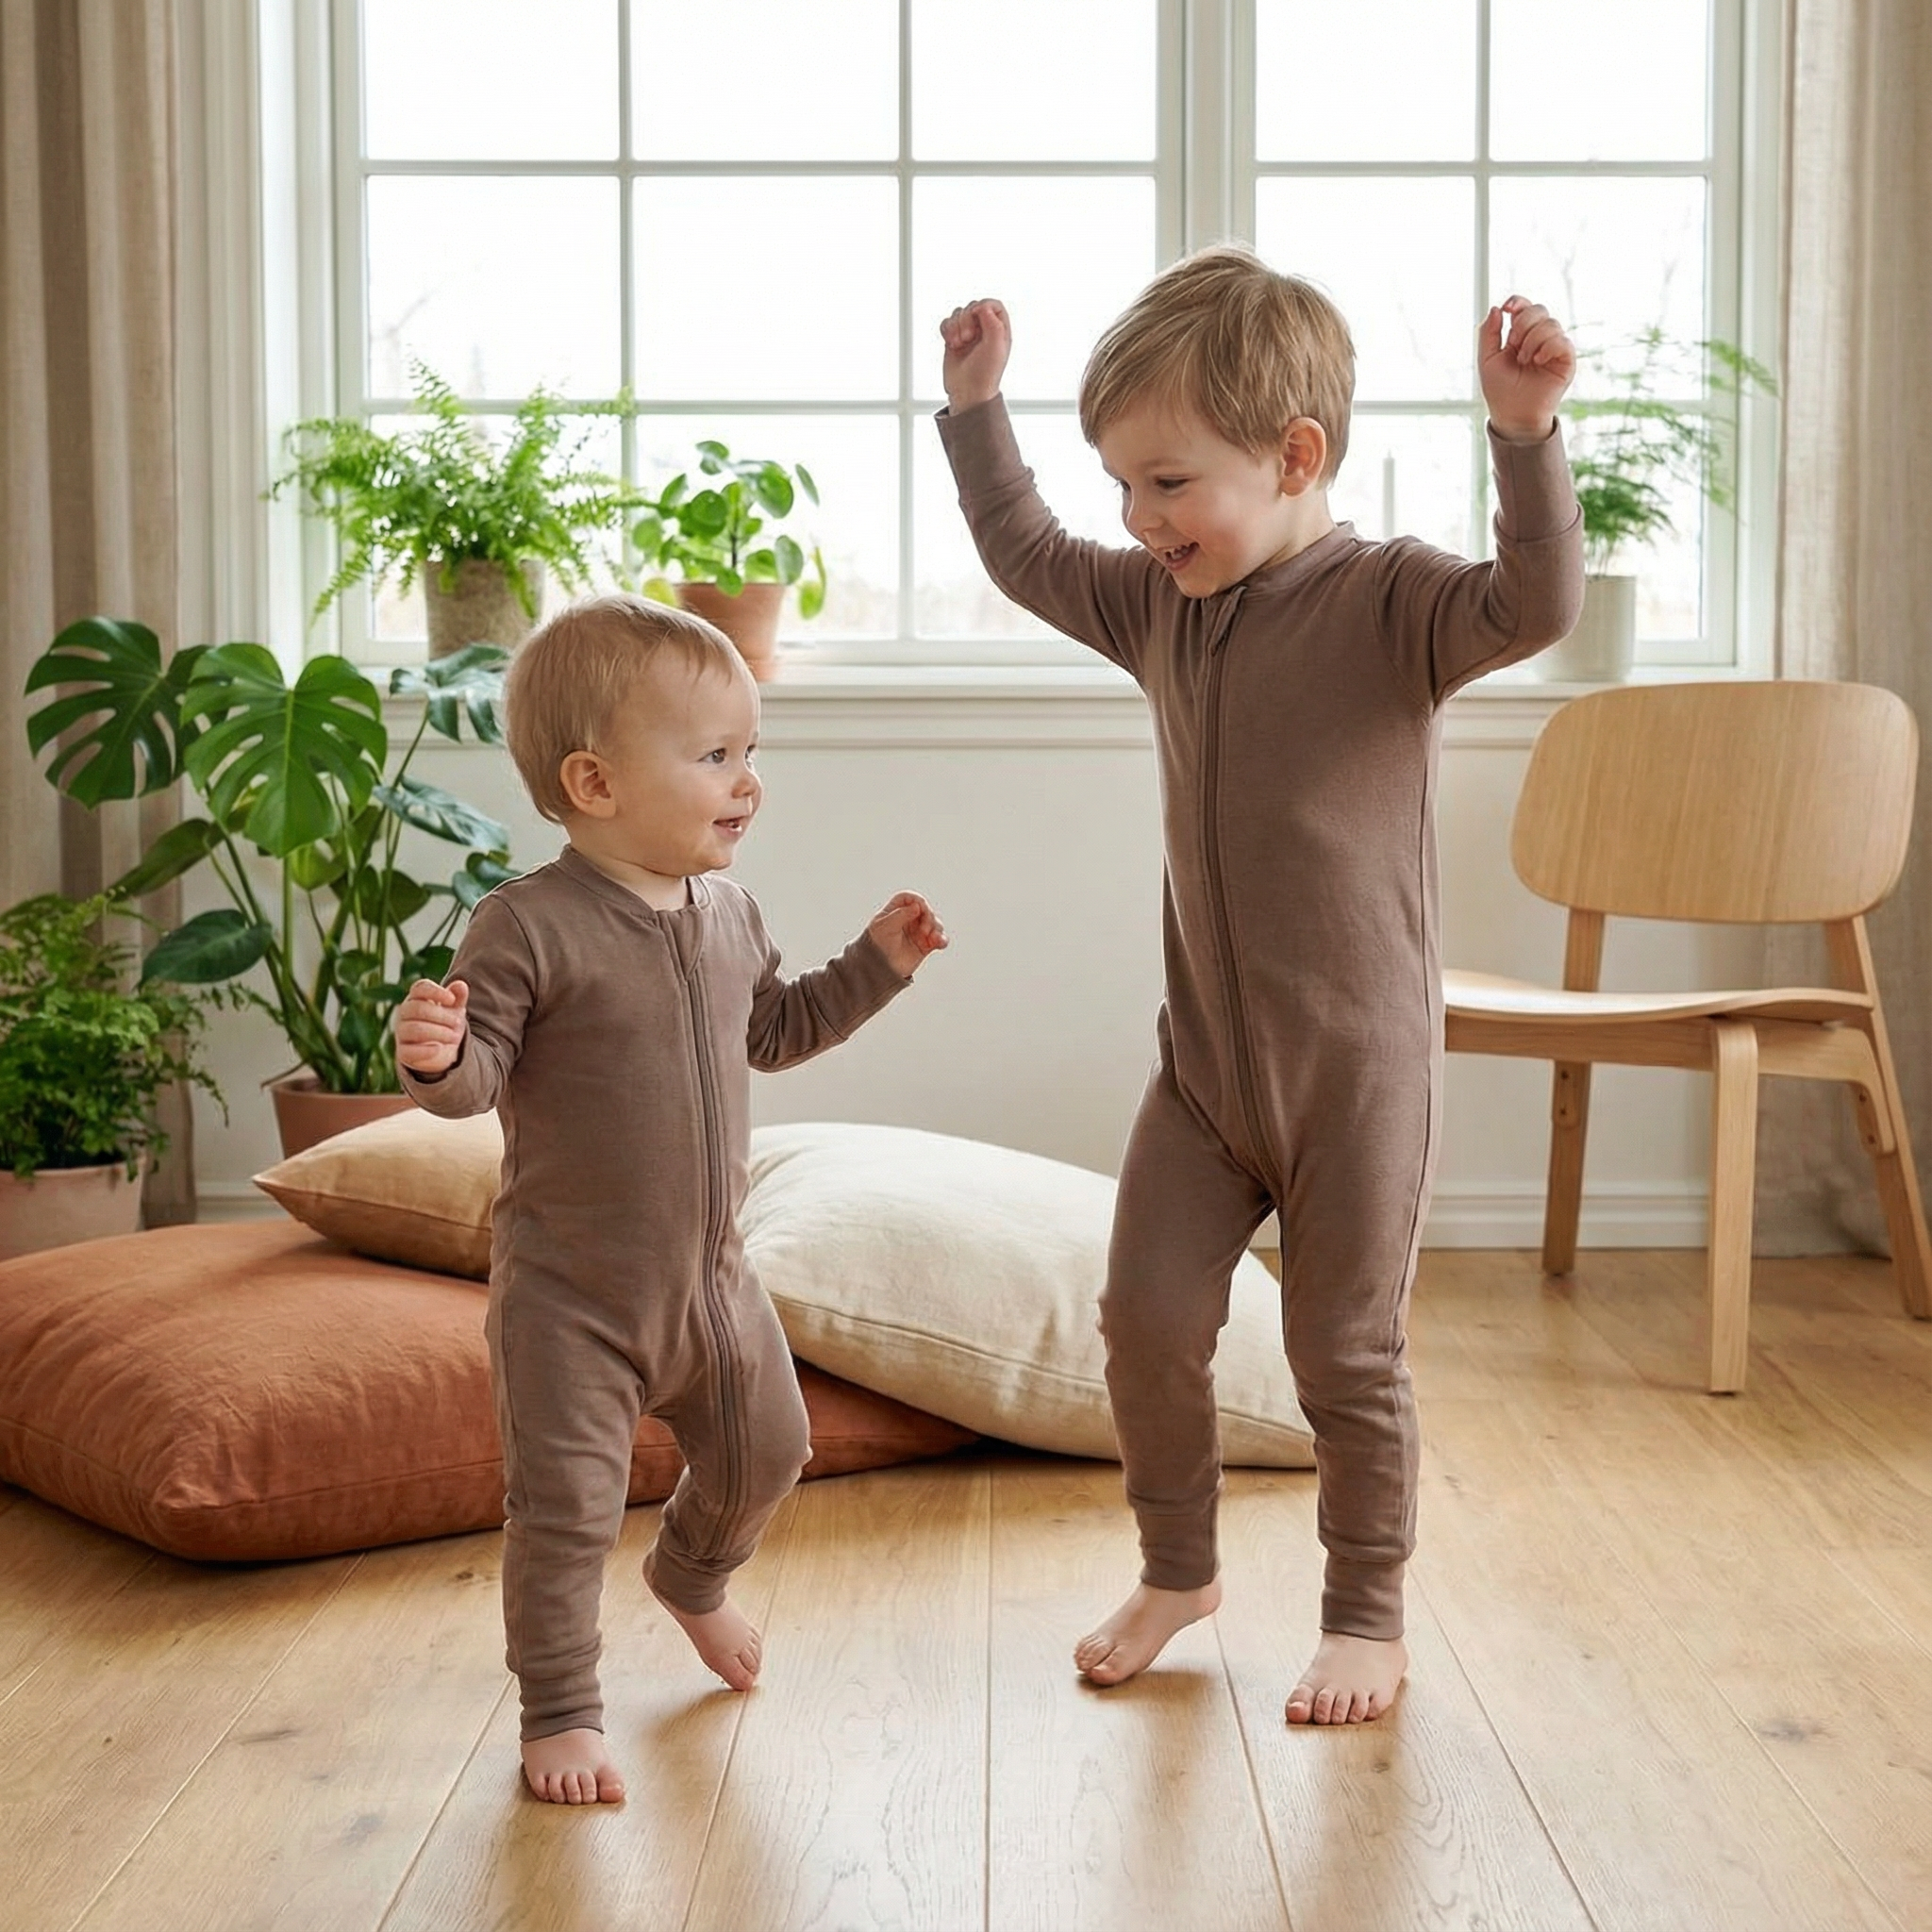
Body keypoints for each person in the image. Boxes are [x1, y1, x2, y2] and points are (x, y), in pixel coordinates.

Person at [937, 245, 1581, 1725]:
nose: (1137, 520)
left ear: (1298, 458)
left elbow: (1538, 603)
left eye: (1170, 484)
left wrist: (1527, 437)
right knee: (1144, 1315)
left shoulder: (1396, 605)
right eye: (1123, 486)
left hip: (1358, 1080)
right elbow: (1028, 550)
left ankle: (1365, 1614)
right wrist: (978, 409)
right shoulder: (1161, 606)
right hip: (1209, 1072)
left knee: (1341, 1352)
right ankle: (1181, 1569)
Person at [393, 593, 947, 1804]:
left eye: (751, 753)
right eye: (713, 757)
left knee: (771, 1446)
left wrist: (875, 967)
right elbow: (475, 1077)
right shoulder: (526, 925)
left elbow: (777, 1028)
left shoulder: (730, 911)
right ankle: (561, 1709)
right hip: (571, 1299)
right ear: (594, 782)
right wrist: (436, 1056)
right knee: (565, 1511)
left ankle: (692, 1575)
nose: (747, 781)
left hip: (712, 1281)